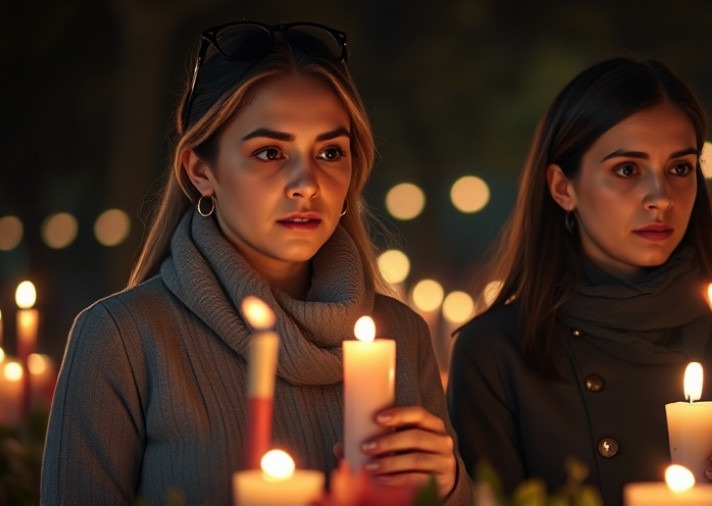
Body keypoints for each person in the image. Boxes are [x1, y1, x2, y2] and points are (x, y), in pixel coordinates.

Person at [41, 21, 470, 505]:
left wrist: (447, 482)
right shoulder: (122, 339)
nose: (306, 182)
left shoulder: (401, 334)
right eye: (269, 152)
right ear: (201, 171)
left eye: (331, 151)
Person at [447, 57, 712, 506]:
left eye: (679, 169)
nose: (661, 197)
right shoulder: (498, 354)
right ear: (563, 187)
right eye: (627, 169)